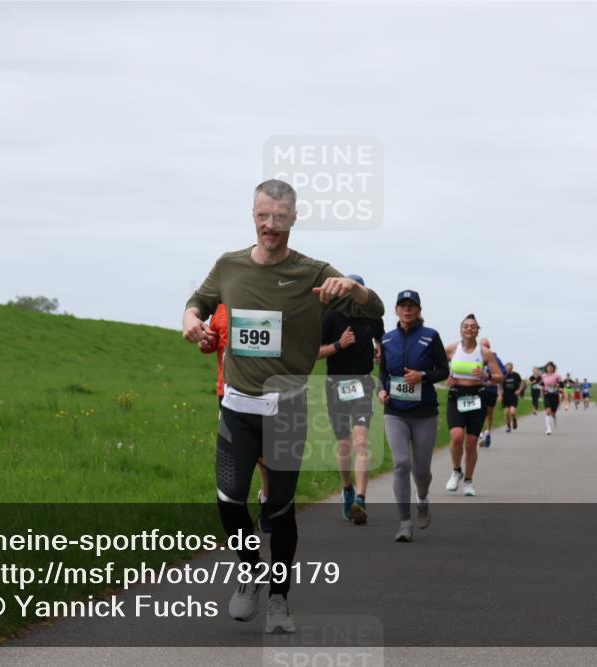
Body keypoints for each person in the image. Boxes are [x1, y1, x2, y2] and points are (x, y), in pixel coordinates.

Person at [183, 179, 384, 634]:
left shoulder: (314, 272)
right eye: (262, 215)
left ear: (293, 218)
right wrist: (191, 320)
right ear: (252, 215)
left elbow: (375, 310)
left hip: (287, 409)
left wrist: (351, 288)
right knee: (229, 501)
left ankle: (278, 598)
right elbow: (199, 300)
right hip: (237, 404)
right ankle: (250, 568)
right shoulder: (229, 265)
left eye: (279, 216)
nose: (269, 225)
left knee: (279, 508)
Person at [377, 290, 449, 542]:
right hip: (395, 412)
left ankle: (423, 498)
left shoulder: (430, 337)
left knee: (420, 470)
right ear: (396, 310)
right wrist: (382, 391)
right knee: (400, 464)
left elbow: (443, 370)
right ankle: (404, 524)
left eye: (412, 306)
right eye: (403, 306)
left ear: (418, 310)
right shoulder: (387, 340)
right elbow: (383, 373)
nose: (407, 310)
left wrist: (423, 376)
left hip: (424, 412)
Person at [199, 304, 272, 533]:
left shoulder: (267, 303)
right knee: (239, 458)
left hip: (266, 392)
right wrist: (205, 342)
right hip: (228, 393)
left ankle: (267, 500)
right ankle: (238, 515)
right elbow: (213, 343)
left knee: (266, 457)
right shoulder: (221, 307)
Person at [318, 274, 384, 525]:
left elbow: (380, 337)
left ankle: (361, 498)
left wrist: (379, 348)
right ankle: (347, 488)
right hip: (335, 384)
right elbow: (315, 352)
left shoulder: (372, 316)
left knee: (361, 442)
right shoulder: (331, 317)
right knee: (344, 445)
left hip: (362, 383)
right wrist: (338, 344)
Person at [444, 315, 504, 497]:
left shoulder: (484, 352)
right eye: (466, 326)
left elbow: (500, 377)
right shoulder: (452, 349)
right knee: (456, 436)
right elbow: (435, 367)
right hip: (456, 396)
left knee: (470, 444)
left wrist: (487, 377)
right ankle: (456, 470)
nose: (469, 329)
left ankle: (468, 481)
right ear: (460, 330)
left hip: (477, 398)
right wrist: (446, 377)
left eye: (473, 326)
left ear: (478, 330)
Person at [476, 337, 506, 447]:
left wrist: (492, 381)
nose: (485, 348)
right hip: (478, 390)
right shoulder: (474, 356)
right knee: (479, 413)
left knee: (489, 414)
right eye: (483, 346)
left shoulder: (494, 358)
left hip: (491, 390)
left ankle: (488, 432)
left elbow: (503, 373)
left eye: (487, 346)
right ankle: (479, 435)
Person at [541, 362, 563, 435]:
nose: (549, 368)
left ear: (553, 368)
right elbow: (542, 384)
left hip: (555, 395)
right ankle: (548, 429)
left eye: (551, 367)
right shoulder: (544, 376)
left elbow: (561, 385)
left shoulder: (557, 376)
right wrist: (541, 388)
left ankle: (554, 418)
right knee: (548, 411)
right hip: (547, 395)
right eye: (548, 367)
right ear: (546, 368)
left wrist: (558, 387)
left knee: (553, 412)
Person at [501, 362, 523, 433]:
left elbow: (522, 383)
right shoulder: (503, 375)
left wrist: (519, 390)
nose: (508, 370)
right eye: (507, 369)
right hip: (505, 396)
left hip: (513, 396)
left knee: (512, 412)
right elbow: (499, 385)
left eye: (509, 369)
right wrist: (499, 394)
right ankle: (508, 426)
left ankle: (514, 419)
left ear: (512, 368)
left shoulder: (516, 375)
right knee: (506, 413)